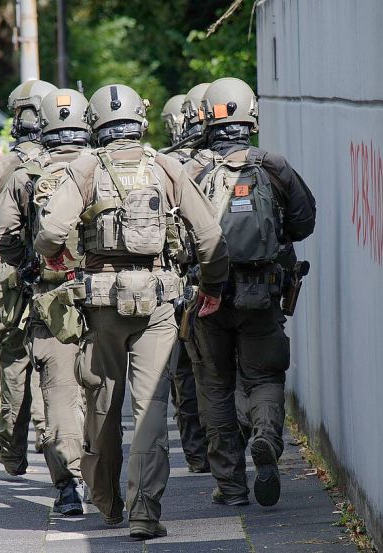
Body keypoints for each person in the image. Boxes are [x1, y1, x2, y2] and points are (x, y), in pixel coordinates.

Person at [34, 84, 229, 539]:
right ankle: (144, 513)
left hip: (101, 306)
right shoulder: (167, 167)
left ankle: (106, 503)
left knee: (102, 403)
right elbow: (209, 238)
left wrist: (56, 256)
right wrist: (212, 288)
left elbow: (50, 232)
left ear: (95, 124)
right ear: (141, 120)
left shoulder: (85, 167)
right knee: (151, 409)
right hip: (158, 303)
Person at [187, 77, 316, 508]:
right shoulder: (274, 166)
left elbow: (177, 235)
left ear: (205, 119)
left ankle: (231, 486)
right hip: (263, 292)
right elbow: (304, 222)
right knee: (264, 376)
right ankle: (266, 438)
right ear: (251, 117)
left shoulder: (192, 171)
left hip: (208, 296)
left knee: (215, 386)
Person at [0, 88, 90, 515]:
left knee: (59, 394)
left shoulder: (20, 173)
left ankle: (69, 486)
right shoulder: (104, 166)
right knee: (111, 394)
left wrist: (28, 263)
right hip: (113, 296)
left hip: (51, 299)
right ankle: (117, 483)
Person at [0, 79, 57, 476]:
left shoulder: (3, 166)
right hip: (57, 276)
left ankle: (11, 450)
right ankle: (55, 440)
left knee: (15, 362)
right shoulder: (72, 161)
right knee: (59, 362)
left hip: (11, 279)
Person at [161, 92, 210, 473]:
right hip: (221, 280)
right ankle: (234, 441)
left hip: (181, 288)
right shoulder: (246, 162)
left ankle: (197, 453)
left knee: (183, 374)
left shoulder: (167, 166)